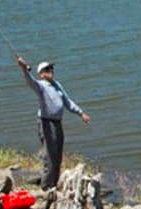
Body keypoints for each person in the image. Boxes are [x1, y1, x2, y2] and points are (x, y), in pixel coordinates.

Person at [16, 56, 91, 190]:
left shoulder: (57, 85)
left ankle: (54, 185)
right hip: (46, 123)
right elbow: (30, 82)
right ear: (41, 73)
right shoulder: (41, 85)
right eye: (47, 69)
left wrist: (81, 113)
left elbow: (68, 102)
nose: (50, 70)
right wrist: (24, 69)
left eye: (51, 68)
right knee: (49, 155)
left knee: (57, 155)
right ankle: (46, 186)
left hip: (57, 123)